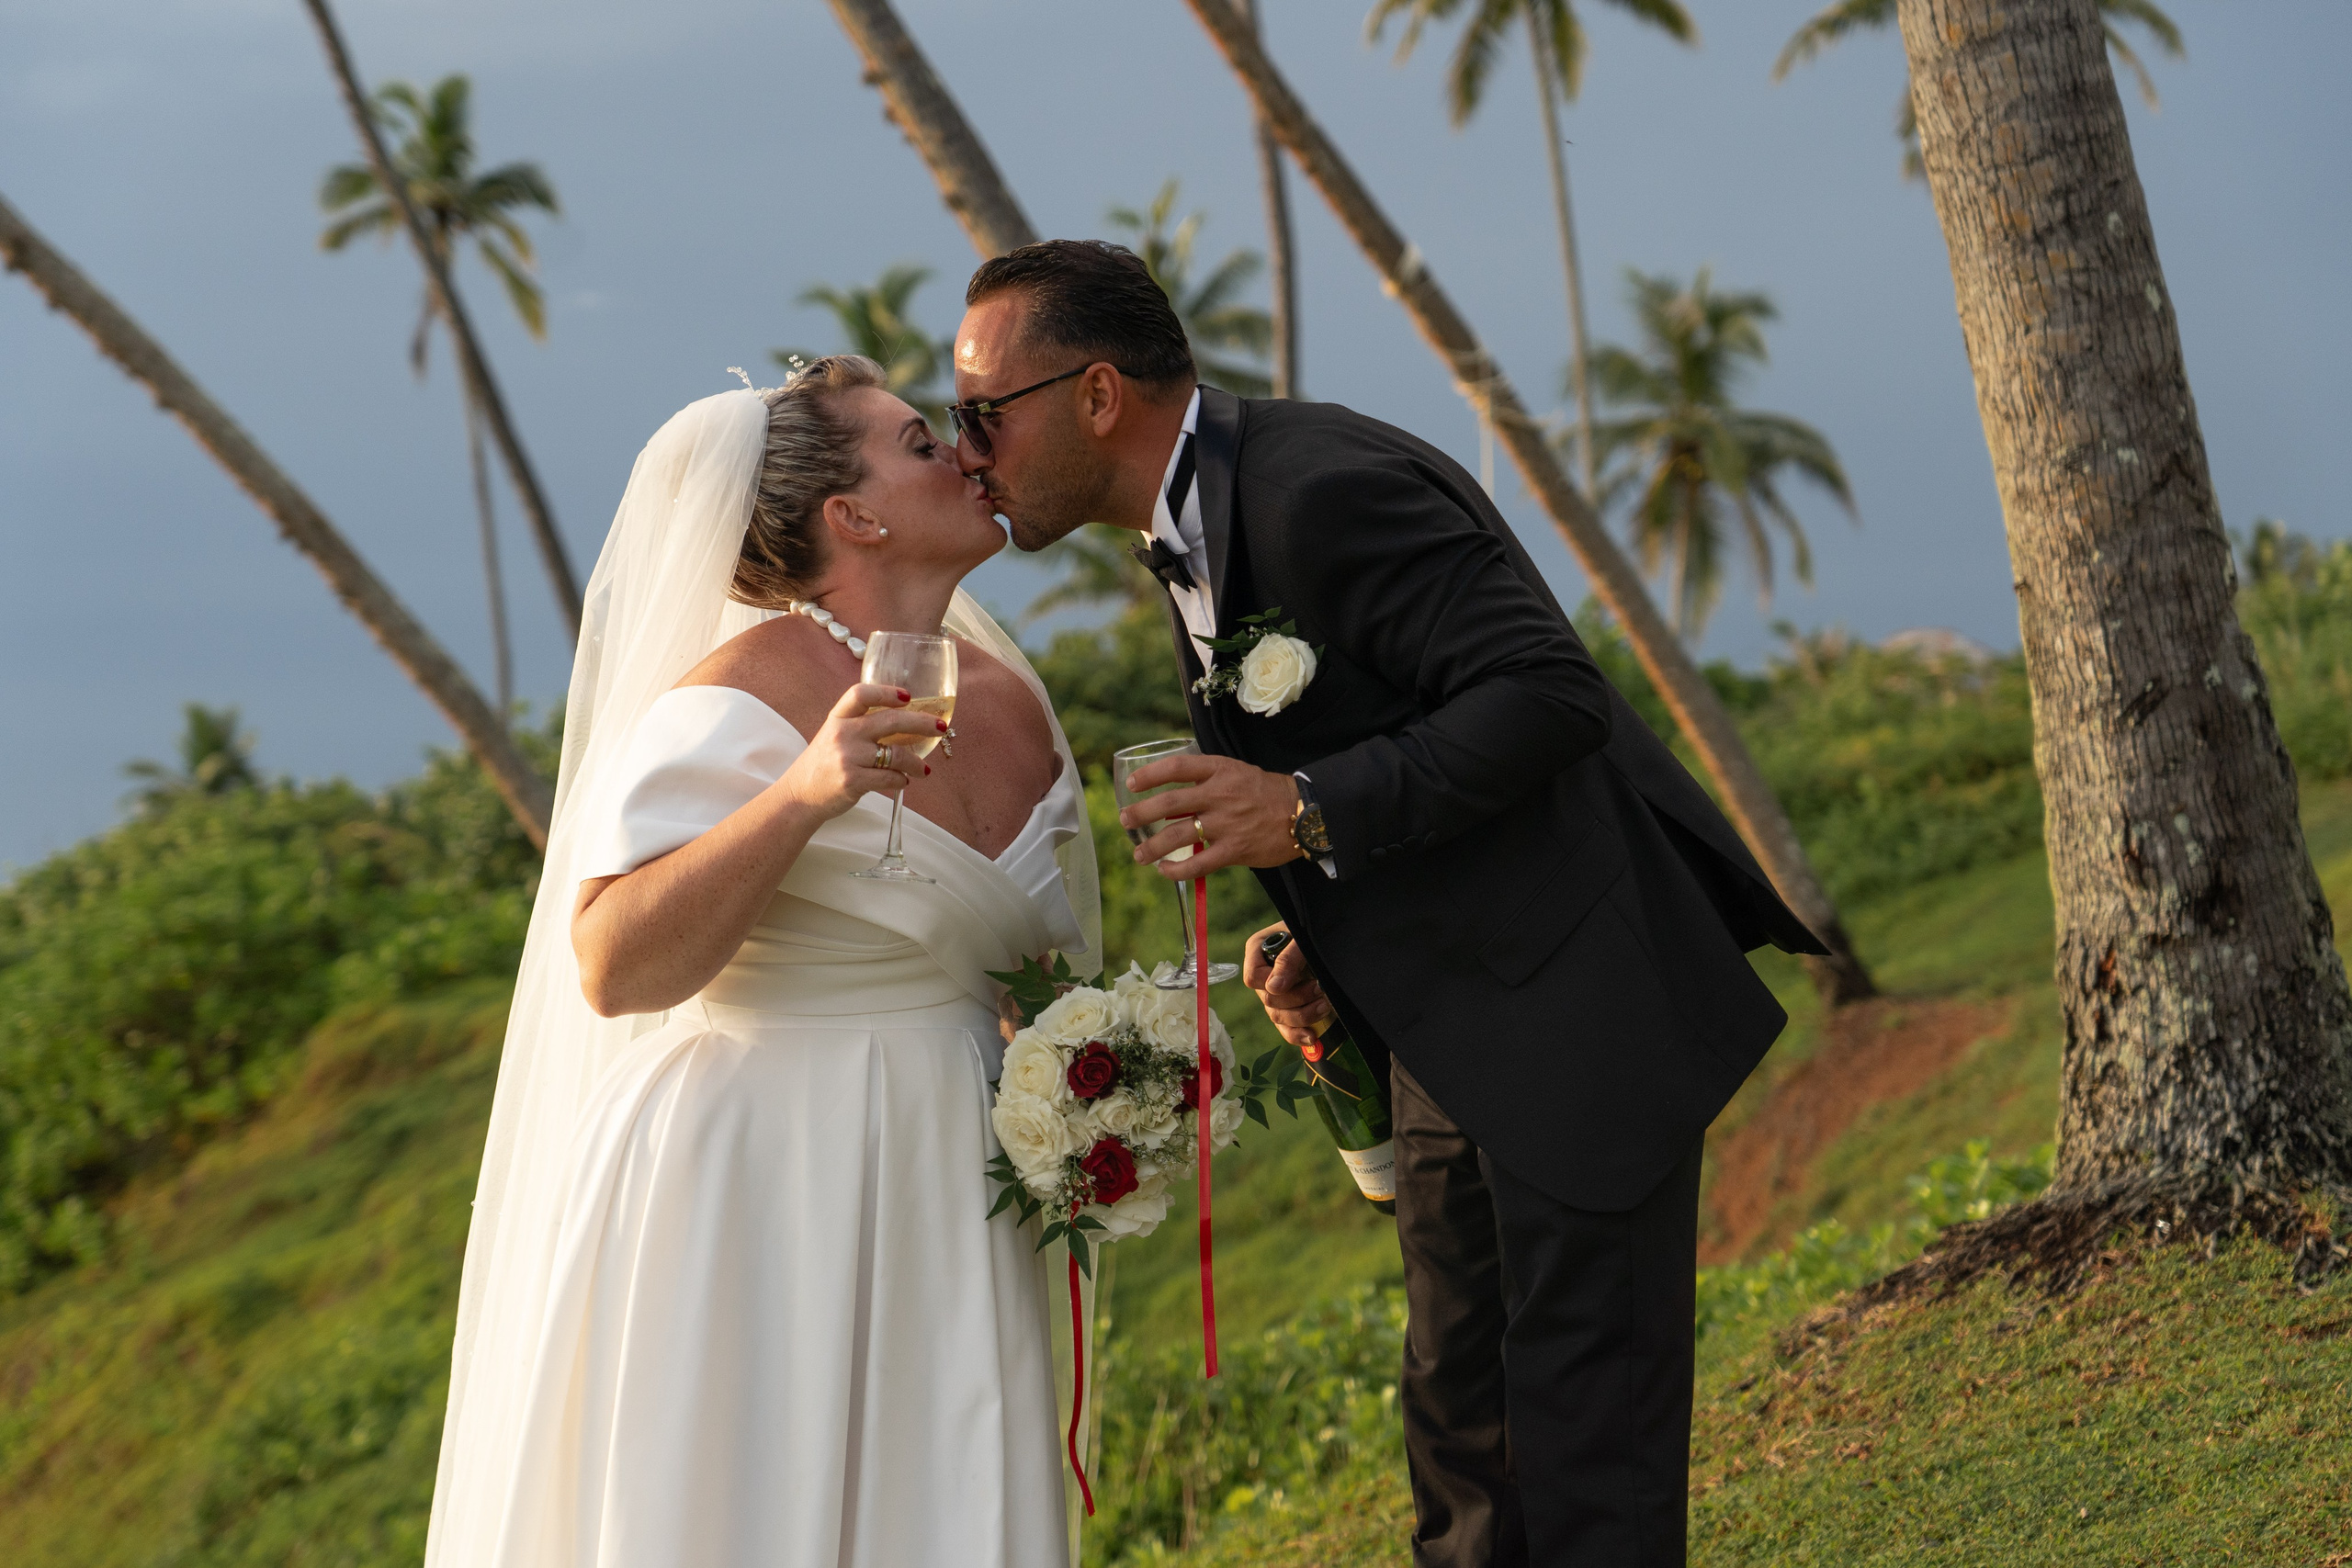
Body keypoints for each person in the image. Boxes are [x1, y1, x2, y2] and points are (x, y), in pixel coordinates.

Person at [948, 241, 1829, 1568]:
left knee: (1590, 1449)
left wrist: (1299, 812)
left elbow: (1544, 693)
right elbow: (1394, 720)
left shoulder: (1318, 488)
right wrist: (1316, 930)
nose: (969, 451)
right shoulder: (1197, 526)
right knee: (1462, 1436)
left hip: (1571, 1003)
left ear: (1095, 394)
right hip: (1442, 1029)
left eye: (981, 413)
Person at [420, 359, 1099, 1568]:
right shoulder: (735, 697)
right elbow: (613, 964)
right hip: (756, 1174)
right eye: (915, 440)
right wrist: (805, 791)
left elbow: (1022, 972)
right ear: (856, 515)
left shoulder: (1010, 701)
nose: (963, 449)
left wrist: (1106, 1082)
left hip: (948, 1171)